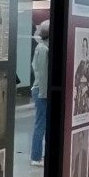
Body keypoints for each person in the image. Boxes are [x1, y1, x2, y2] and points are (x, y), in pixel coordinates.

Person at [30, 19, 49, 166]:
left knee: (42, 123)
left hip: (41, 90)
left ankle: (38, 156)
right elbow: (42, 73)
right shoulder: (43, 49)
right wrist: (43, 93)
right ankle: (36, 157)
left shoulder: (42, 47)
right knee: (40, 124)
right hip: (41, 91)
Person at [73, 35, 89, 118]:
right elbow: (76, 77)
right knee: (77, 111)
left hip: (84, 92)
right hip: (79, 91)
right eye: (83, 46)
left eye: (85, 46)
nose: (84, 48)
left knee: (83, 110)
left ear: (87, 48)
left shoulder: (88, 64)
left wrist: (86, 88)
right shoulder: (80, 63)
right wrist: (76, 89)